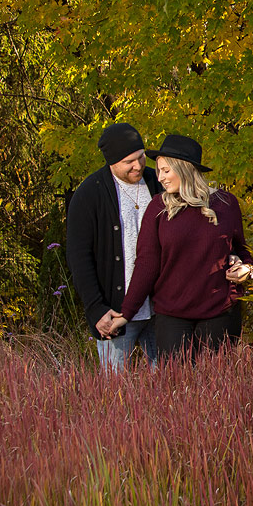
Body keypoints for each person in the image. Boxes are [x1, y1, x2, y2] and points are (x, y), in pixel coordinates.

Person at [101, 134, 253, 361]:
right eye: (159, 170)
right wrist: (126, 313)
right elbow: (146, 264)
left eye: (165, 170)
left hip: (220, 312)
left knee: (217, 388)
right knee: (177, 386)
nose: (159, 177)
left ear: (184, 169)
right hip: (172, 316)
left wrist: (247, 269)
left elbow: (241, 250)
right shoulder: (158, 208)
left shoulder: (226, 204)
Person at [66, 122, 161, 371]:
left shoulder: (158, 182)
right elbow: (79, 258)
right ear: (111, 162)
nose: (138, 165)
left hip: (162, 309)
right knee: (116, 394)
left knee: (171, 387)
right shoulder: (89, 194)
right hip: (115, 315)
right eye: (129, 161)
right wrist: (96, 309)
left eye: (141, 157)